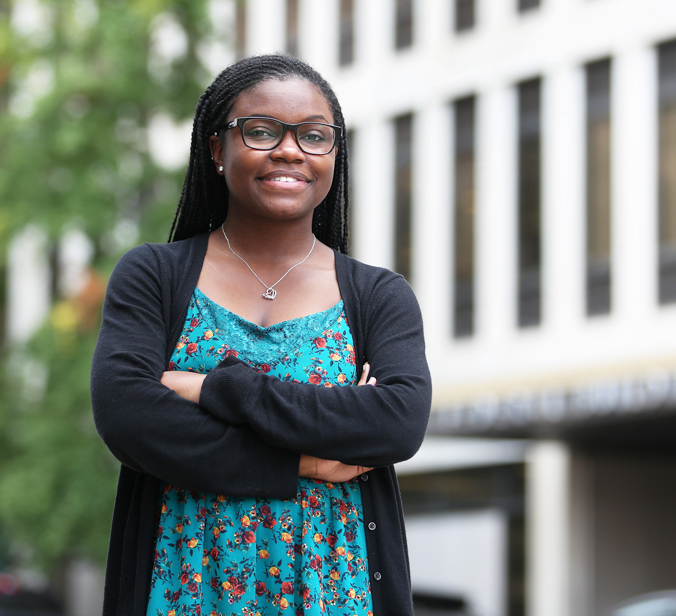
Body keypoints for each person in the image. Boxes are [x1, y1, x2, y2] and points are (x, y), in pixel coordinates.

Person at [90, 54, 432, 616]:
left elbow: (396, 422)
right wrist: (304, 461)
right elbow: (128, 415)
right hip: (184, 593)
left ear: (333, 154)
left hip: (335, 596)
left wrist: (214, 390)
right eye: (262, 131)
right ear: (217, 148)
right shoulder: (154, 275)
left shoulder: (378, 296)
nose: (290, 150)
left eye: (314, 136)